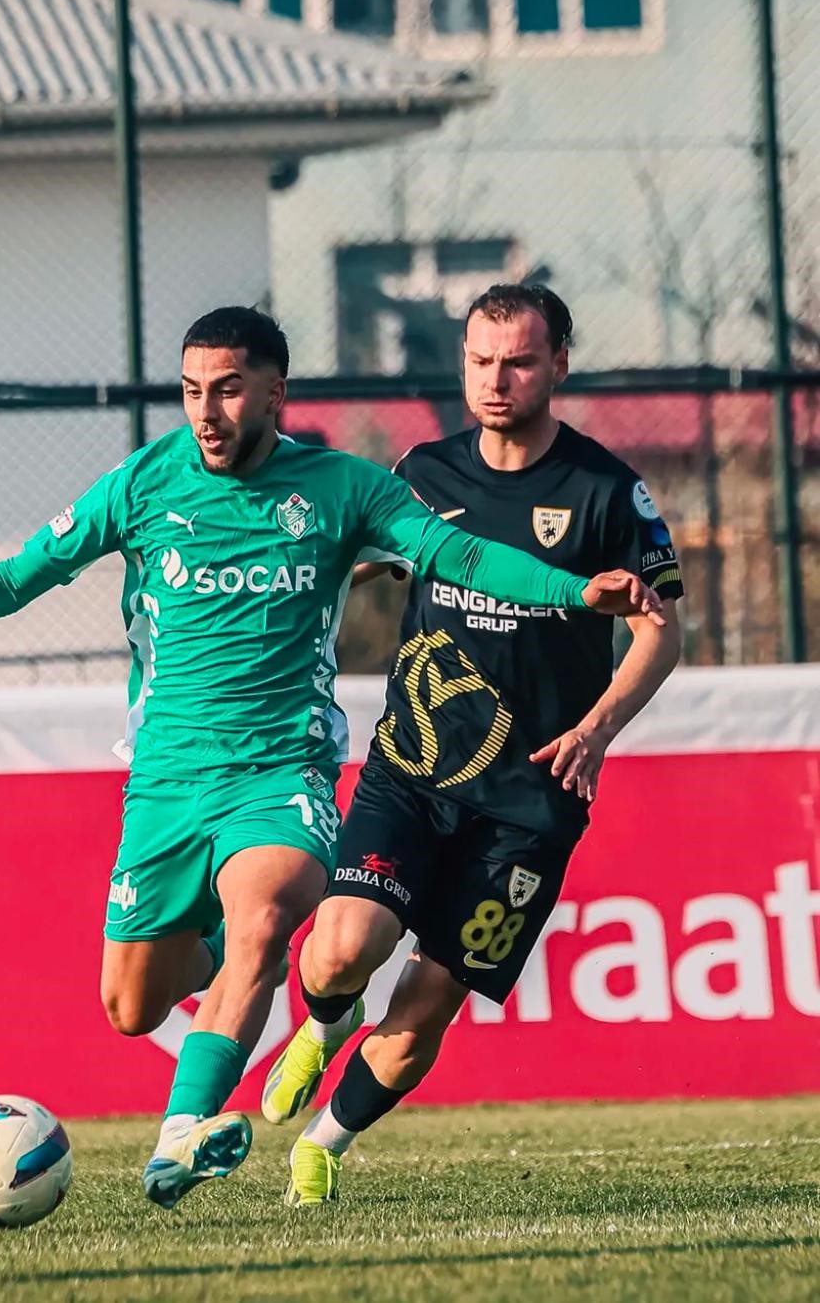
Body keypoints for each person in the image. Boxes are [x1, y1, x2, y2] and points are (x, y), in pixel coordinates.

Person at [0, 305, 664, 1210]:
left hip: (283, 772)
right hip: (164, 781)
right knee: (131, 1009)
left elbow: (458, 553)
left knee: (270, 918)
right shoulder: (143, 484)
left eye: (230, 389)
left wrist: (573, 590)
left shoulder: (344, 488)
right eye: (194, 389)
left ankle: (179, 1140)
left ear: (276, 394)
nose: (206, 410)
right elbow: (15, 579)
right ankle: (223, 966)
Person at [261, 284, 684, 1206]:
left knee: (424, 1010)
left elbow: (663, 632)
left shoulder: (608, 492)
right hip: (413, 766)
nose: (498, 379)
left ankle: (325, 1145)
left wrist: (596, 729)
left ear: (559, 365)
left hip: (532, 803)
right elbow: (345, 563)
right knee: (338, 952)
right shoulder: (423, 471)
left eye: (521, 361)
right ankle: (324, 1025)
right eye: (482, 361)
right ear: (463, 363)